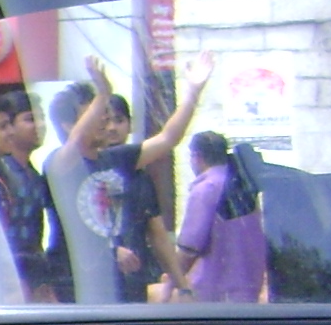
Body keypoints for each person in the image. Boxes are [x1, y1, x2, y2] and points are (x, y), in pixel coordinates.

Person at [44, 53, 210, 303]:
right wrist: (102, 93)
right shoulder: (59, 165)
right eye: (94, 111)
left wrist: (193, 93)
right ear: (69, 125)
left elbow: (168, 138)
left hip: (128, 287)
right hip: (79, 292)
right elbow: (76, 142)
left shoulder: (117, 158)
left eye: (105, 111)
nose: (104, 118)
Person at [173, 129, 269, 304]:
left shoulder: (206, 189)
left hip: (215, 291)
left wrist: (172, 282)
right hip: (249, 286)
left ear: (197, 156)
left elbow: (189, 248)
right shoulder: (242, 185)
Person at [0, 85, 64, 299]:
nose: (39, 126)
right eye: (30, 119)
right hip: (7, 277)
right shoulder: (0, 174)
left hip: (33, 274)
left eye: (42, 119)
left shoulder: (34, 174)